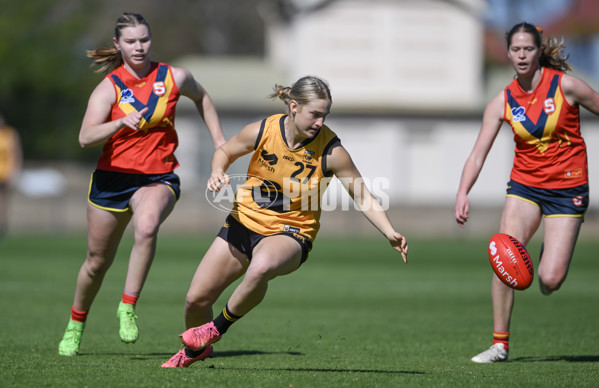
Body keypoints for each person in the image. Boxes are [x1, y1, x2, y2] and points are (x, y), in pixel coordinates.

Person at [161, 75, 409, 368]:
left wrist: (389, 231)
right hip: (243, 222)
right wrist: (217, 170)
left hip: (291, 232)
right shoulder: (264, 130)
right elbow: (225, 151)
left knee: (261, 267)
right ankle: (198, 352)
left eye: (324, 115)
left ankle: (214, 330)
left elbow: (364, 197)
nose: (319, 121)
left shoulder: (332, 151)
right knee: (196, 300)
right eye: (314, 114)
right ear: (293, 106)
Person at [58, 12, 226, 356]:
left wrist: (221, 143)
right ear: (118, 45)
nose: (139, 47)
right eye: (131, 41)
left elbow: (204, 99)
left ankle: (127, 306)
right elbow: (85, 137)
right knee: (96, 262)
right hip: (112, 181)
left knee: (147, 227)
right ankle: (76, 325)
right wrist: (119, 122)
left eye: (144, 39)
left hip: (158, 177)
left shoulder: (174, 77)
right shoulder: (109, 87)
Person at [455, 22, 599, 363]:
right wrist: (463, 192)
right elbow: (477, 154)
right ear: (508, 54)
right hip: (525, 186)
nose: (522, 55)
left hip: (567, 188)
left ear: (538, 52)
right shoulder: (502, 101)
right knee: (504, 255)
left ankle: (553, 247)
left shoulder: (567, 86)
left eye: (528, 49)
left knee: (550, 279)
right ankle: (499, 345)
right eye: (516, 49)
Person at [0, 114, 23, 240]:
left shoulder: (10, 134)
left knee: (3, 203)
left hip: (5, 174)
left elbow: (16, 154)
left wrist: (15, 172)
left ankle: (2, 227)